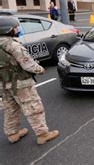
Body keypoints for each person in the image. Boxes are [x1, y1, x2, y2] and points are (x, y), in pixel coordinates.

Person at [0, 17, 59, 145]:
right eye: (15, 27)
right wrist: (41, 69)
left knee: (11, 109)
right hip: (21, 83)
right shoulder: (12, 45)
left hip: (3, 84)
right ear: (8, 30)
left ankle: (12, 134)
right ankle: (43, 134)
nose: (17, 29)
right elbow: (28, 65)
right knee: (33, 108)